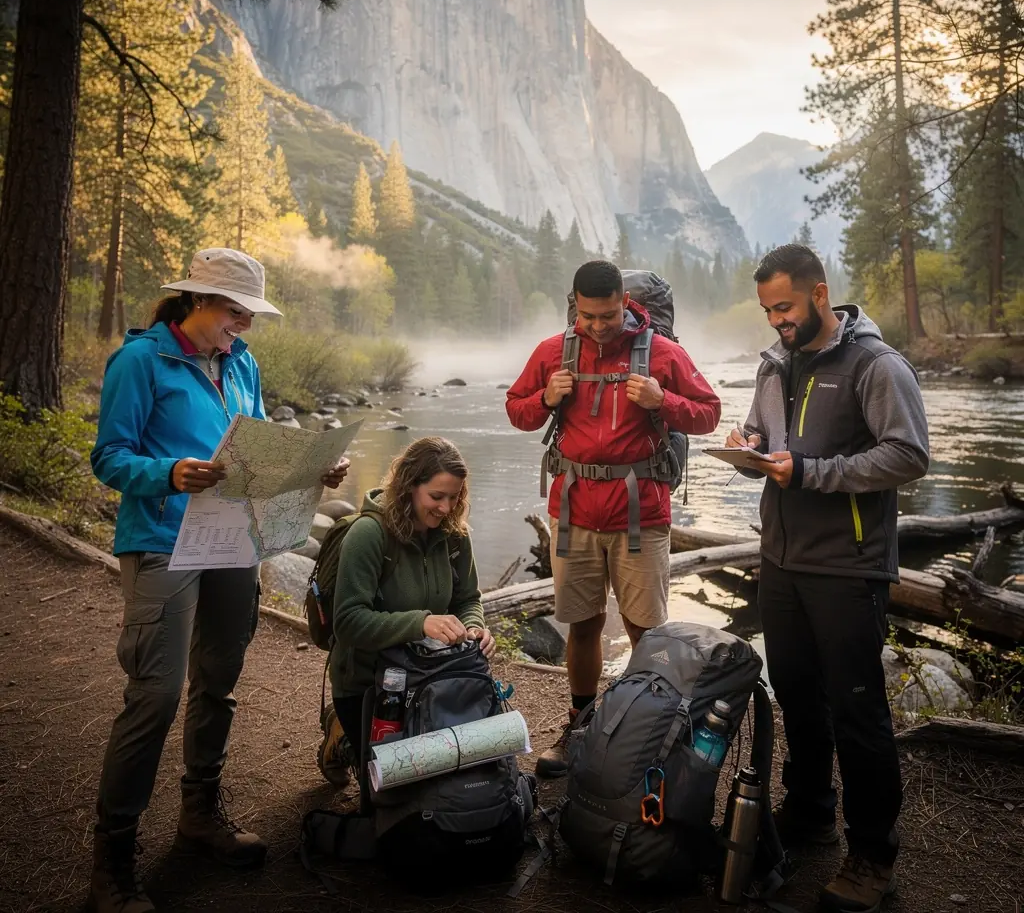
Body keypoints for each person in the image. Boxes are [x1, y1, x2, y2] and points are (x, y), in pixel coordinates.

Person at [89, 248, 350, 913]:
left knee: (220, 681)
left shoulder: (243, 364)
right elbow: (110, 457)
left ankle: (199, 813)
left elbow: (252, 450)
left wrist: (313, 471)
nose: (247, 325)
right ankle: (111, 861)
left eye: (251, 314)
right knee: (155, 694)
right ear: (197, 302)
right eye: (238, 311)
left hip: (233, 539)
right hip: (160, 542)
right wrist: (170, 473)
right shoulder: (140, 360)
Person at [725, 243, 928, 913]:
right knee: (796, 695)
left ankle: (871, 858)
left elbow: (907, 455)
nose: (775, 321)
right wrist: (746, 450)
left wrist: (812, 473)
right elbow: (763, 435)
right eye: (767, 311)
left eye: (783, 307)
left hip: (848, 566)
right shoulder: (773, 364)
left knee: (858, 712)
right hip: (782, 560)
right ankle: (810, 810)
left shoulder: (875, 364)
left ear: (819, 296)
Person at [505, 259, 721, 778]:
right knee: (582, 623)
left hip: (640, 513)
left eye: (608, 315)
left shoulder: (662, 353)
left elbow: (709, 413)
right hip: (575, 511)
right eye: (588, 316)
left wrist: (661, 399)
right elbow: (517, 410)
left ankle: (644, 733)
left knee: (647, 631)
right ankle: (580, 723)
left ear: (625, 303)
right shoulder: (553, 352)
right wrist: (545, 397)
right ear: (575, 304)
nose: (599, 326)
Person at [321, 436, 494, 781]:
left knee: (442, 776)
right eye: (436, 496)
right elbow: (348, 622)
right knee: (389, 784)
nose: (446, 508)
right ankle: (342, 739)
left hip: (431, 674)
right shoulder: (369, 535)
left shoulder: (454, 534)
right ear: (408, 487)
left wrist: (474, 626)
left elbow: (468, 599)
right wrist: (421, 624)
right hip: (367, 682)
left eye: (455, 496)